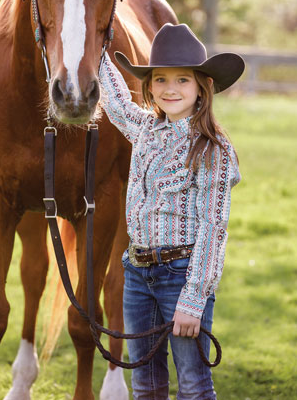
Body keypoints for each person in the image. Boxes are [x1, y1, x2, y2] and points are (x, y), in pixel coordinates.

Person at [98, 23, 245, 400]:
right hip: (137, 273)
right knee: (145, 384)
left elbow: (214, 227)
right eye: (160, 79)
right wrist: (93, 47)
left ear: (201, 87)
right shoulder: (145, 128)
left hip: (181, 277)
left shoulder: (212, 149)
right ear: (149, 87)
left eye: (182, 80)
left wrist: (193, 299)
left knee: (193, 384)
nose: (170, 89)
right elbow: (115, 104)